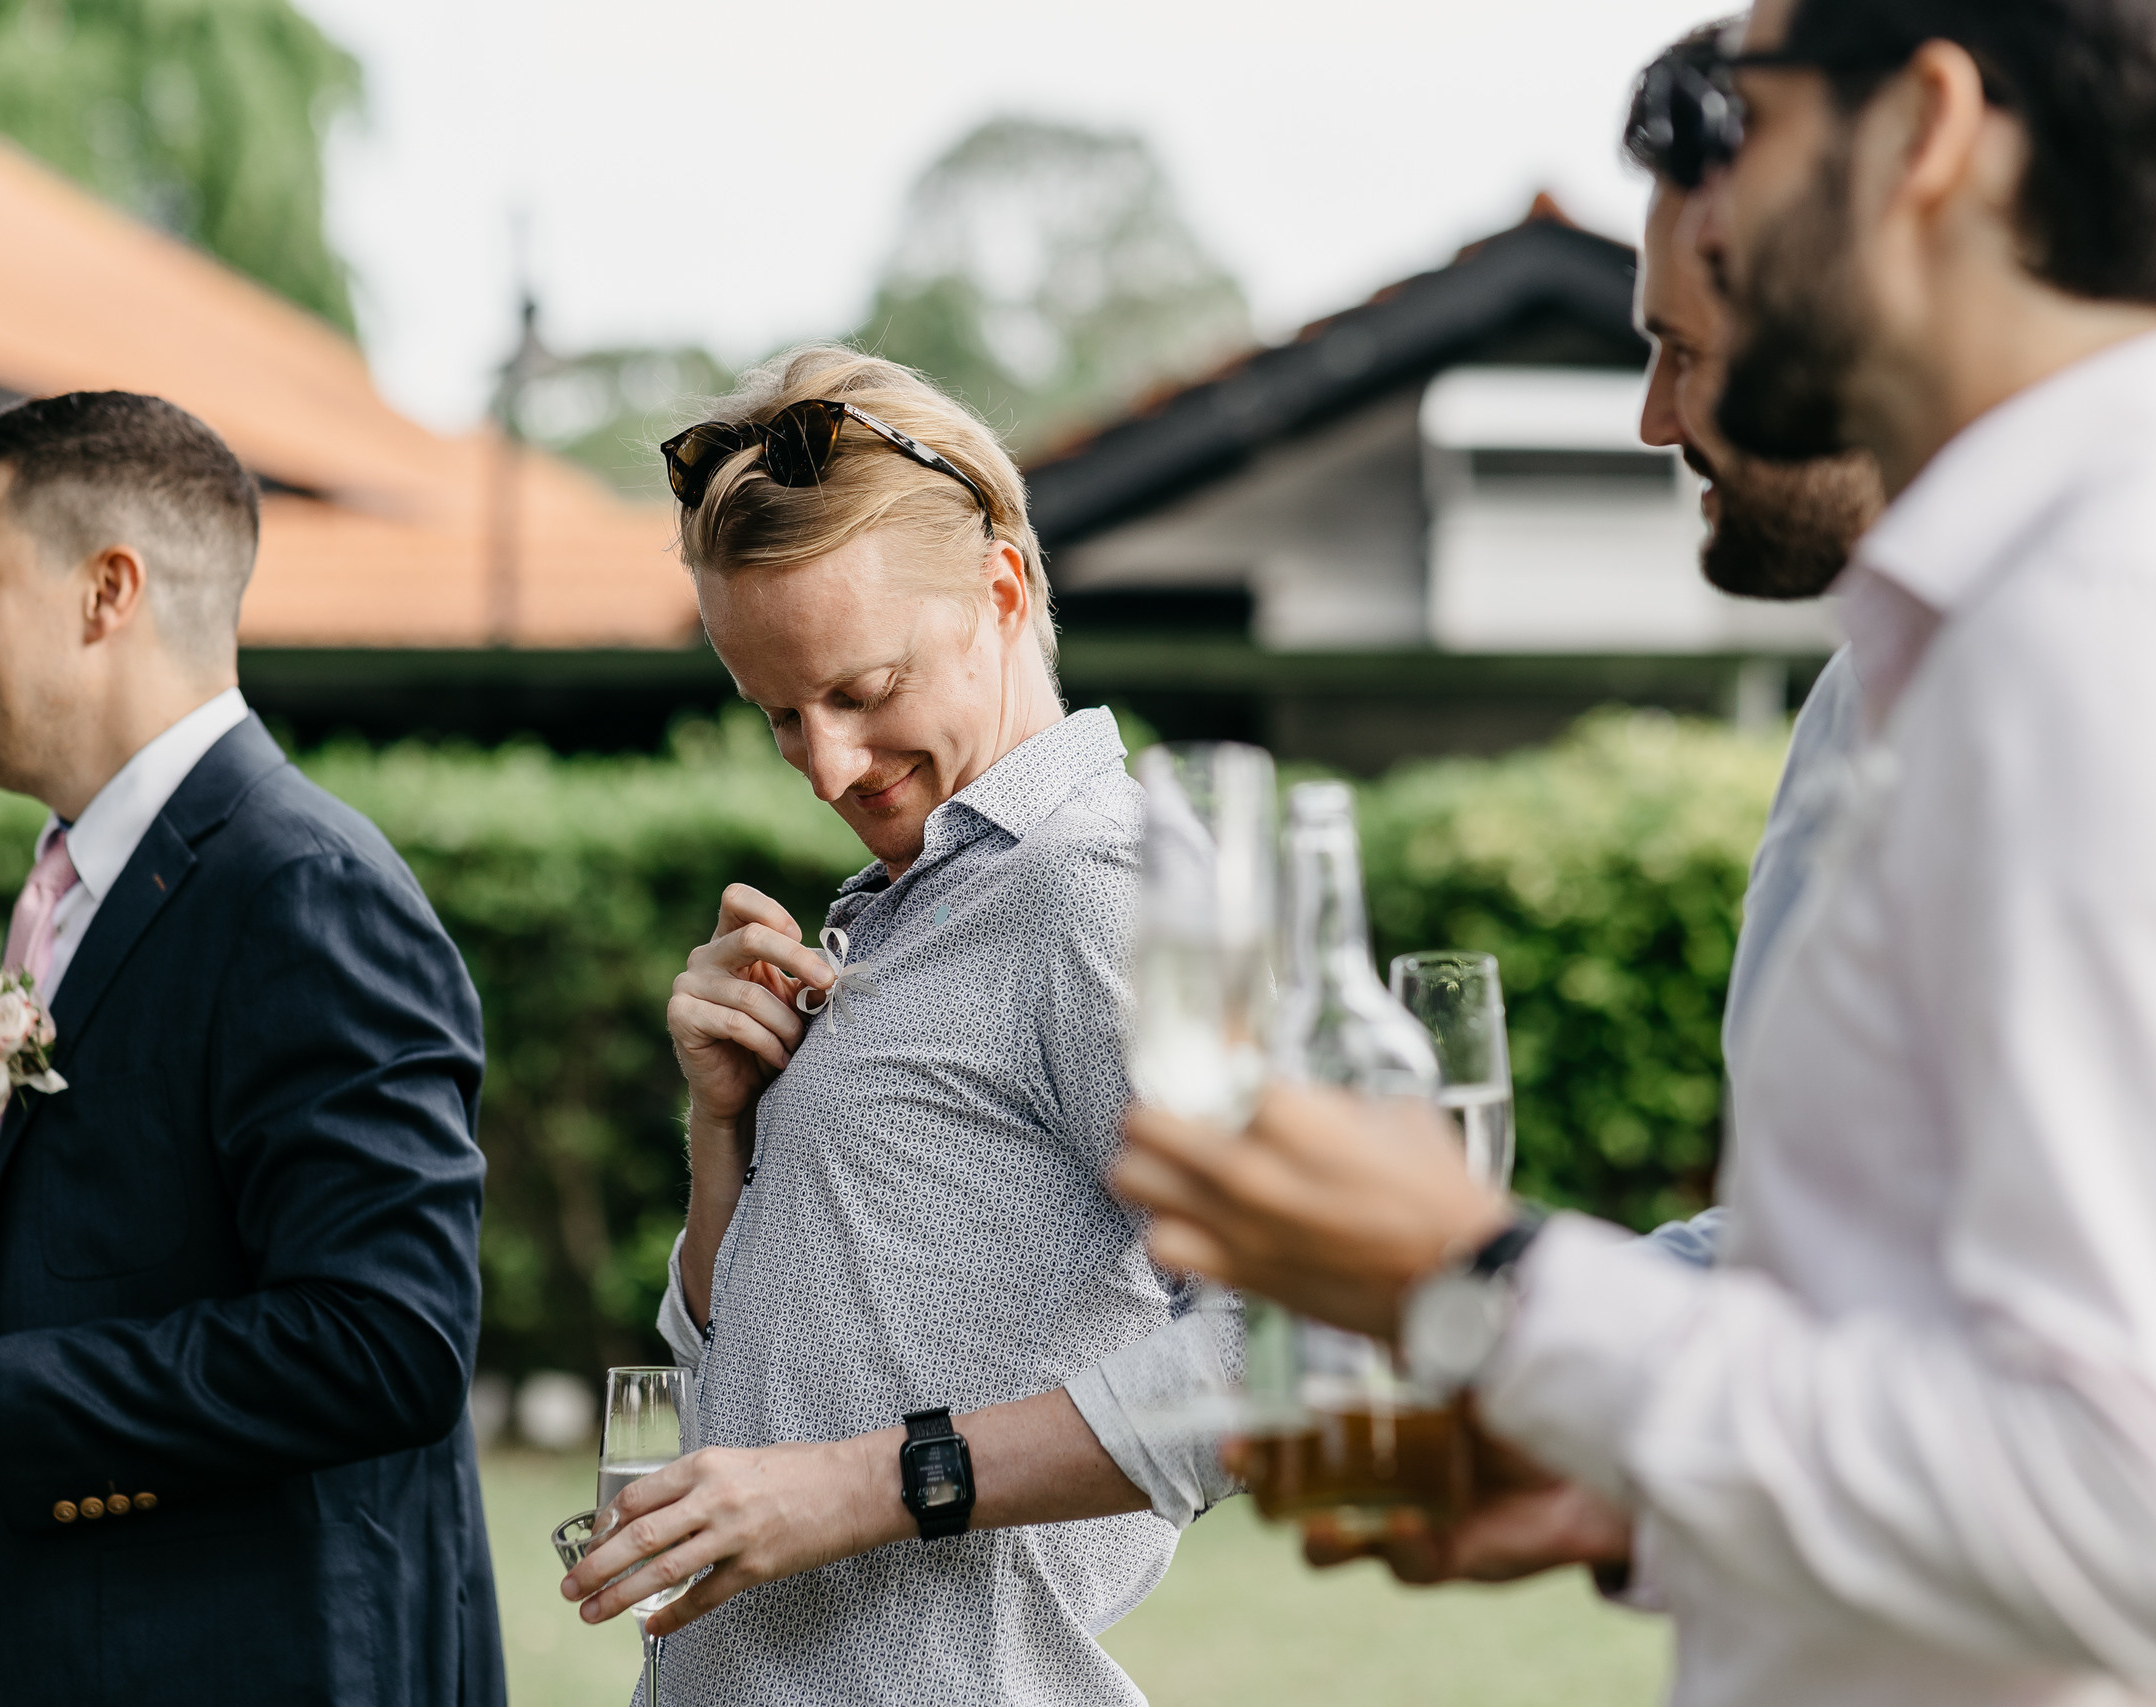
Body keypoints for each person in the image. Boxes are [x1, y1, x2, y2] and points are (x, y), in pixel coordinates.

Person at [1115, 1, 2156, 1702]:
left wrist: (1475, 1280)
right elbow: (1971, 1390)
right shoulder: (1977, 638)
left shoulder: (2090, 632)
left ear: (1928, 134)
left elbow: (2120, 1501)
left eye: (1758, 101)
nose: (1715, 168)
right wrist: (1640, 1497)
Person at [0, 392, 504, 1707]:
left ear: (105, 592)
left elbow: (386, 1344)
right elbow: (89, 1286)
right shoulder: (72, 887)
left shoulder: (301, 890)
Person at [560, 347, 1242, 1705]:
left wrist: (870, 1484)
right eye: (778, 717)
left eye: (864, 692)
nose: (824, 766)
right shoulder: (907, 908)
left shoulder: (1103, 888)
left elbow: (1297, 1350)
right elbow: (737, 1382)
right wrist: (726, 1133)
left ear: (999, 592)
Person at [1305, 18, 1890, 1587]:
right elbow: (1807, 1260)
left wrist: (1479, 1266)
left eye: (1681, 348)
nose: (1649, 419)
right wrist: (1521, 1367)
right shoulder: (1860, 700)